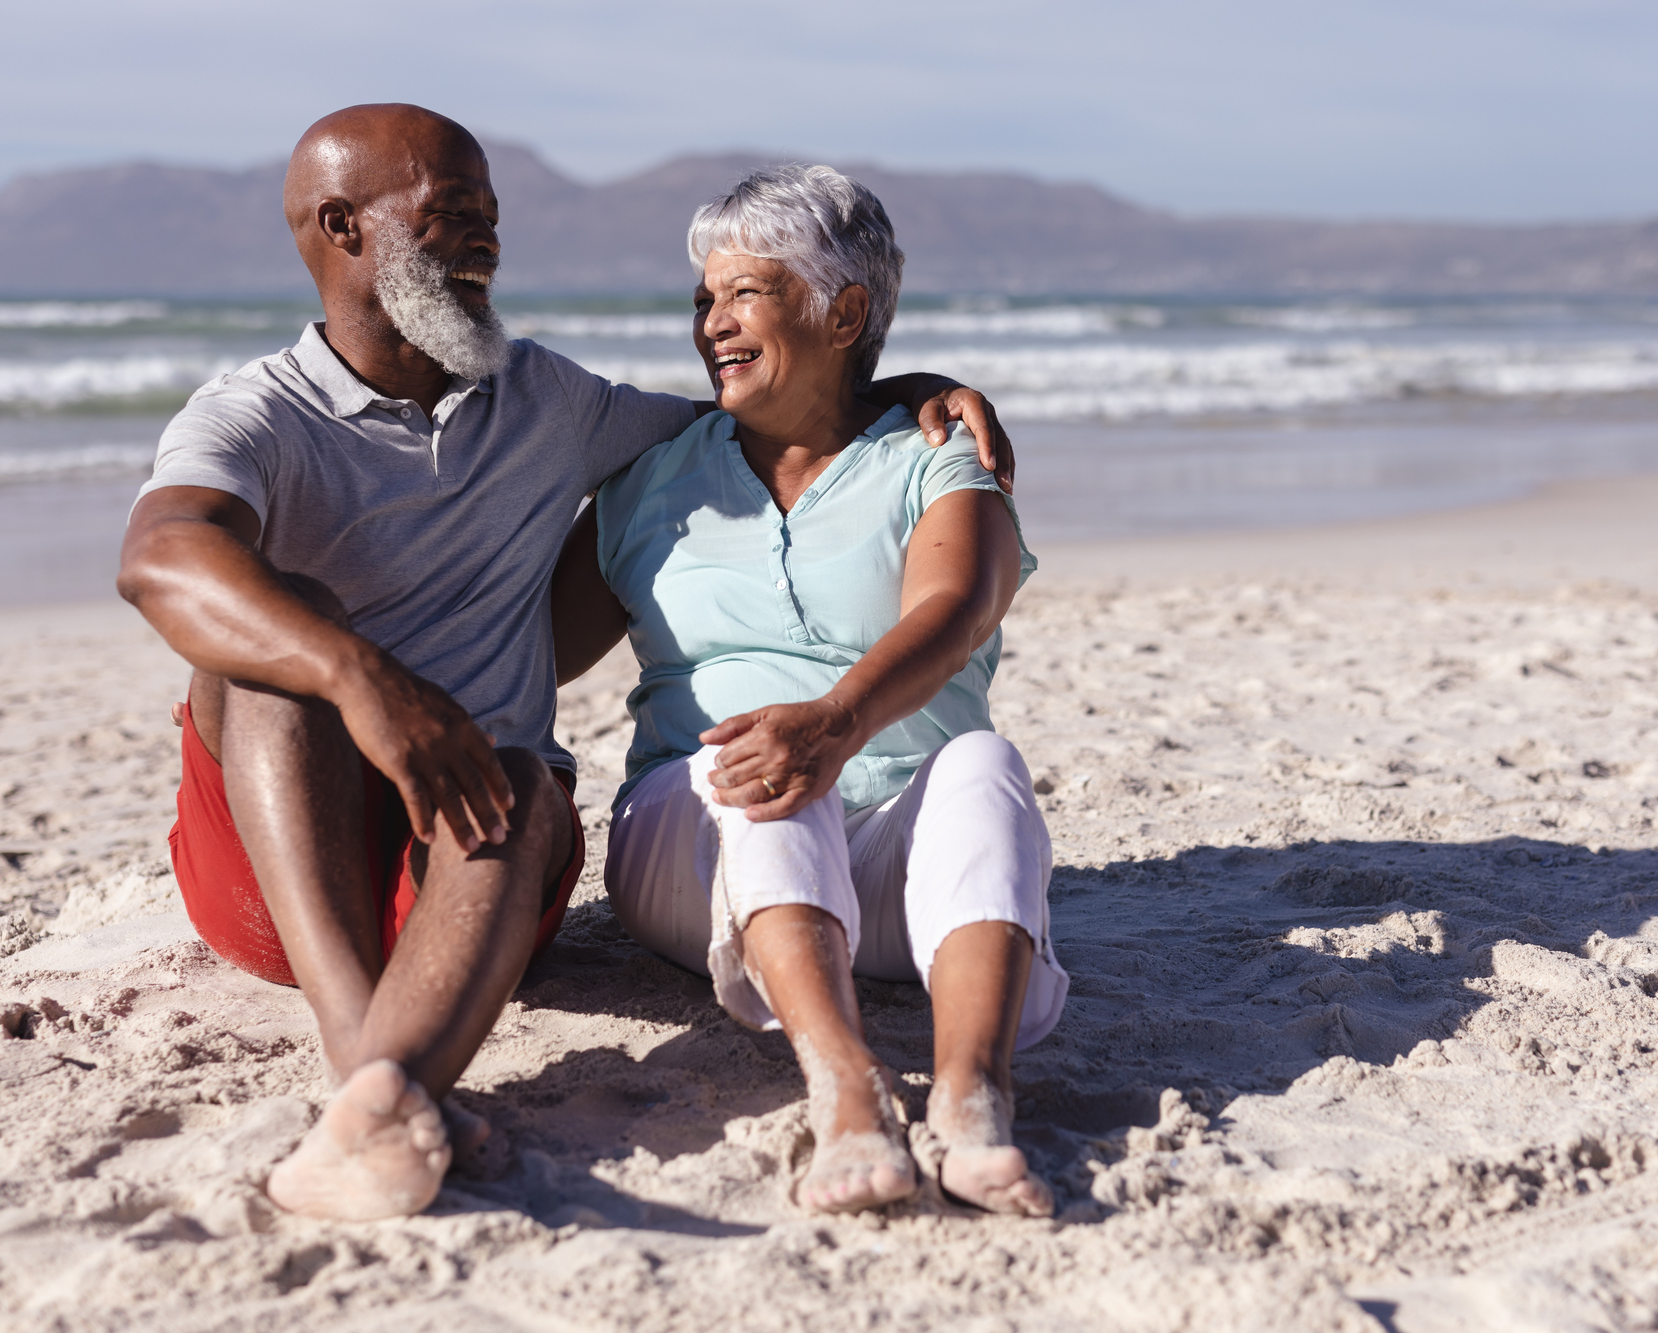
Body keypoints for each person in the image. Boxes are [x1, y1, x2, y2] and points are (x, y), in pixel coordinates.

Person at [116, 105, 1014, 1222]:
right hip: (279, 873)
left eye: (490, 220)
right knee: (269, 638)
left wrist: (899, 381)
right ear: (341, 227)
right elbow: (160, 558)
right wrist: (365, 681)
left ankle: (382, 1101)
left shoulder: (550, 400)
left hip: (479, 881)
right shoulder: (256, 414)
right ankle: (371, 1076)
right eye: (448, 218)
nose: (484, 244)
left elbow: (763, 412)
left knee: (528, 780)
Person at [552, 165, 1067, 1218]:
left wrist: (835, 721)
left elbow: (958, 606)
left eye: (745, 292)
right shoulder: (650, 480)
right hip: (691, 847)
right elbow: (527, 651)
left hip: (897, 864)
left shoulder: (933, 456)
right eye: (703, 297)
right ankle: (846, 1088)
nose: (711, 322)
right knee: (747, 764)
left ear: (842, 312)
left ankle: (973, 1092)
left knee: (982, 762)